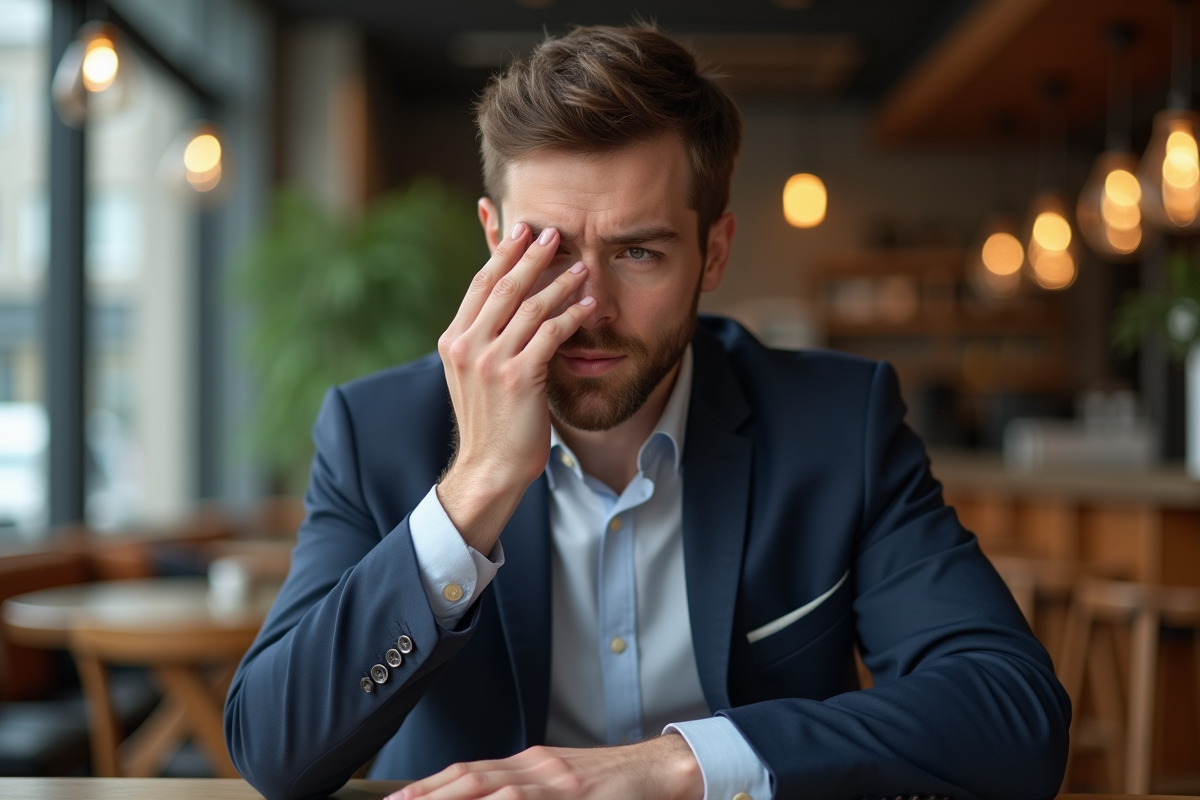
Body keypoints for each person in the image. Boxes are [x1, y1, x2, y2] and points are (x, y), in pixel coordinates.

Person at [225, 23, 1070, 800]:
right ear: (494, 239)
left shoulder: (837, 425)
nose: (588, 307)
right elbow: (273, 749)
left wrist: (674, 764)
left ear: (715, 252)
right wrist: (475, 488)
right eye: (546, 250)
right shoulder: (379, 432)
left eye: (638, 252)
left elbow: (1013, 714)